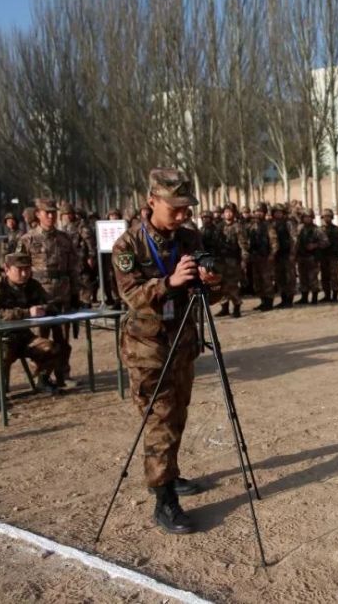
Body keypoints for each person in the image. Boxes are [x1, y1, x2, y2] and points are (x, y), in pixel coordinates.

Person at [112, 167, 223, 534]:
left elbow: (213, 292)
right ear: (151, 202)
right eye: (174, 208)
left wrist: (212, 281)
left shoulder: (190, 238)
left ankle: (169, 474)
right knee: (159, 419)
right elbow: (133, 298)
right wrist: (169, 282)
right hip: (148, 348)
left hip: (182, 343)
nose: (182, 215)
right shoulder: (129, 245)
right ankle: (164, 501)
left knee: (176, 414)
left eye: (186, 208)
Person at [0, 253, 64, 409]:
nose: (24, 274)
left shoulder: (33, 285)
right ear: (7, 269)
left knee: (51, 348)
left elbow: (51, 304)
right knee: (1, 353)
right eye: (19, 270)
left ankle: (43, 380)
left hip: (22, 338)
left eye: (27, 269)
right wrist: (26, 313)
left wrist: (43, 309)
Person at [17, 199, 78, 388]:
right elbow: (19, 270)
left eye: (53, 212)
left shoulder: (64, 238)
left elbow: (73, 268)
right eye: (46, 212)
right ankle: (43, 377)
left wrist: (76, 294)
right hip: (40, 298)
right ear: (38, 214)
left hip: (62, 296)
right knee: (40, 341)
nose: (51, 216)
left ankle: (63, 375)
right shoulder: (28, 239)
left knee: (63, 340)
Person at [215, 203, 249, 318]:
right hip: (221, 260)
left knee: (232, 285)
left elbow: (243, 245)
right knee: (221, 284)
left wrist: (244, 260)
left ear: (234, 214)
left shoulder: (238, 227)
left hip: (233, 260)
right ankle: (224, 308)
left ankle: (237, 307)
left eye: (230, 212)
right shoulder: (219, 226)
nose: (228, 214)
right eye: (226, 212)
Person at [62, 205, 99, 307]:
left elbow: (90, 242)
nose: (68, 217)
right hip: (69, 260)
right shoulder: (64, 228)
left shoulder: (81, 226)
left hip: (81, 259)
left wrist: (91, 257)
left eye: (69, 214)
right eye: (65, 214)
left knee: (85, 282)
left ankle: (87, 303)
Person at [247, 202, 278, 311]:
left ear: (264, 213)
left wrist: (272, 255)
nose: (258, 214)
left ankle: (269, 302)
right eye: (256, 211)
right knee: (257, 282)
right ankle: (263, 301)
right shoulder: (252, 226)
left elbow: (274, 243)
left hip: (266, 257)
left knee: (266, 281)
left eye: (260, 212)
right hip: (255, 257)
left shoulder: (269, 226)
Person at [294, 209, 329, 305]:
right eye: (305, 217)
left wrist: (315, 245)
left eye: (309, 217)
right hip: (301, 256)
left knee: (312, 278)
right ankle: (304, 298)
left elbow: (326, 242)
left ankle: (314, 298)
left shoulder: (317, 229)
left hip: (312, 257)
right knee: (302, 278)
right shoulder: (299, 228)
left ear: (312, 218)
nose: (307, 219)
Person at [271, 203, 298, 308]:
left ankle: (289, 300)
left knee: (289, 278)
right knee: (279, 278)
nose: (278, 214)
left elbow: (294, 239)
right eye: (276, 212)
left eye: (280, 212)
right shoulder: (272, 224)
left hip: (287, 255)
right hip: (278, 255)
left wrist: (292, 253)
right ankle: (283, 299)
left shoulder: (289, 223)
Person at [319, 208, 338, 302]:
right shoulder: (319, 230)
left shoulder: (337, 230)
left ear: (332, 218)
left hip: (333, 257)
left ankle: (334, 296)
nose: (327, 218)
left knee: (334, 276)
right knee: (324, 277)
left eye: (329, 217)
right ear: (322, 218)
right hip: (323, 256)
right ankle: (327, 296)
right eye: (325, 217)